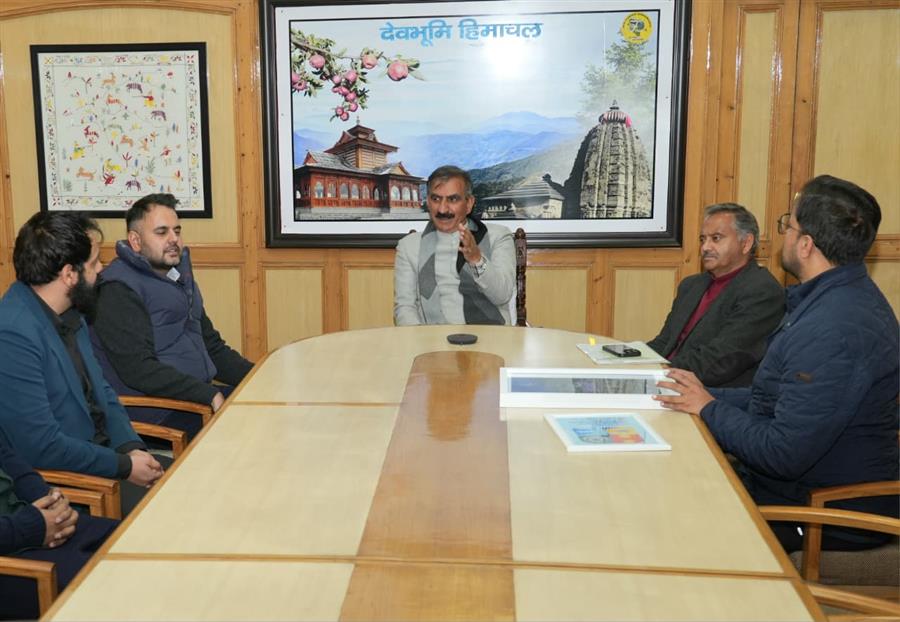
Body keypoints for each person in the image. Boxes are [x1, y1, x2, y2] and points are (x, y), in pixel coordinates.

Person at [655, 175, 899, 552]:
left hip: (824, 513)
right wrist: (695, 394)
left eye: (789, 224)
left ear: (805, 244)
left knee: (665, 523)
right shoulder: (829, 300)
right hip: (789, 488)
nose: (783, 234)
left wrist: (708, 407)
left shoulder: (834, 328)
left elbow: (782, 454)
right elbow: (772, 399)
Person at [0, 211, 167, 516]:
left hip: (108, 458)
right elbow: (41, 447)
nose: (101, 269)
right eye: (93, 263)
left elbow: (103, 393)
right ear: (69, 274)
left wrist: (131, 447)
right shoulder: (12, 333)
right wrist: (124, 466)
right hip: (74, 488)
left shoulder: (71, 312)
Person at [92, 194, 253, 438]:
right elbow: (139, 370)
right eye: (161, 232)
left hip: (193, 397)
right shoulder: (118, 288)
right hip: (156, 411)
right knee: (254, 428)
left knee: (268, 404)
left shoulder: (178, 277)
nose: (173, 239)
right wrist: (208, 394)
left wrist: (259, 375)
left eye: (176, 231)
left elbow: (213, 348)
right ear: (135, 240)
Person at [647, 203, 784, 387]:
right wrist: (627, 362)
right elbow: (664, 342)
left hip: (709, 392)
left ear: (746, 243)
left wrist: (658, 373)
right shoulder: (691, 285)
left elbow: (721, 359)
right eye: (702, 239)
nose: (705, 247)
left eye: (716, 238)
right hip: (666, 379)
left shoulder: (762, 291)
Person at [0, 441, 117, 620]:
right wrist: (26, 527)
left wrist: (49, 499)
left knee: (134, 540)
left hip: (32, 521)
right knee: (111, 583)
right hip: (12, 549)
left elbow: (8, 459)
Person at [394, 165, 516, 326]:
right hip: (431, 337)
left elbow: (502, 295)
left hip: (490, 335)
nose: (443, 209)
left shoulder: (498, 236)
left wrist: (477, 259)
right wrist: (421, 339)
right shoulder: (409, 246)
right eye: (436, 199)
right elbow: (405, 308)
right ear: (428, 202)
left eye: (452, 199)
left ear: (469, 203)